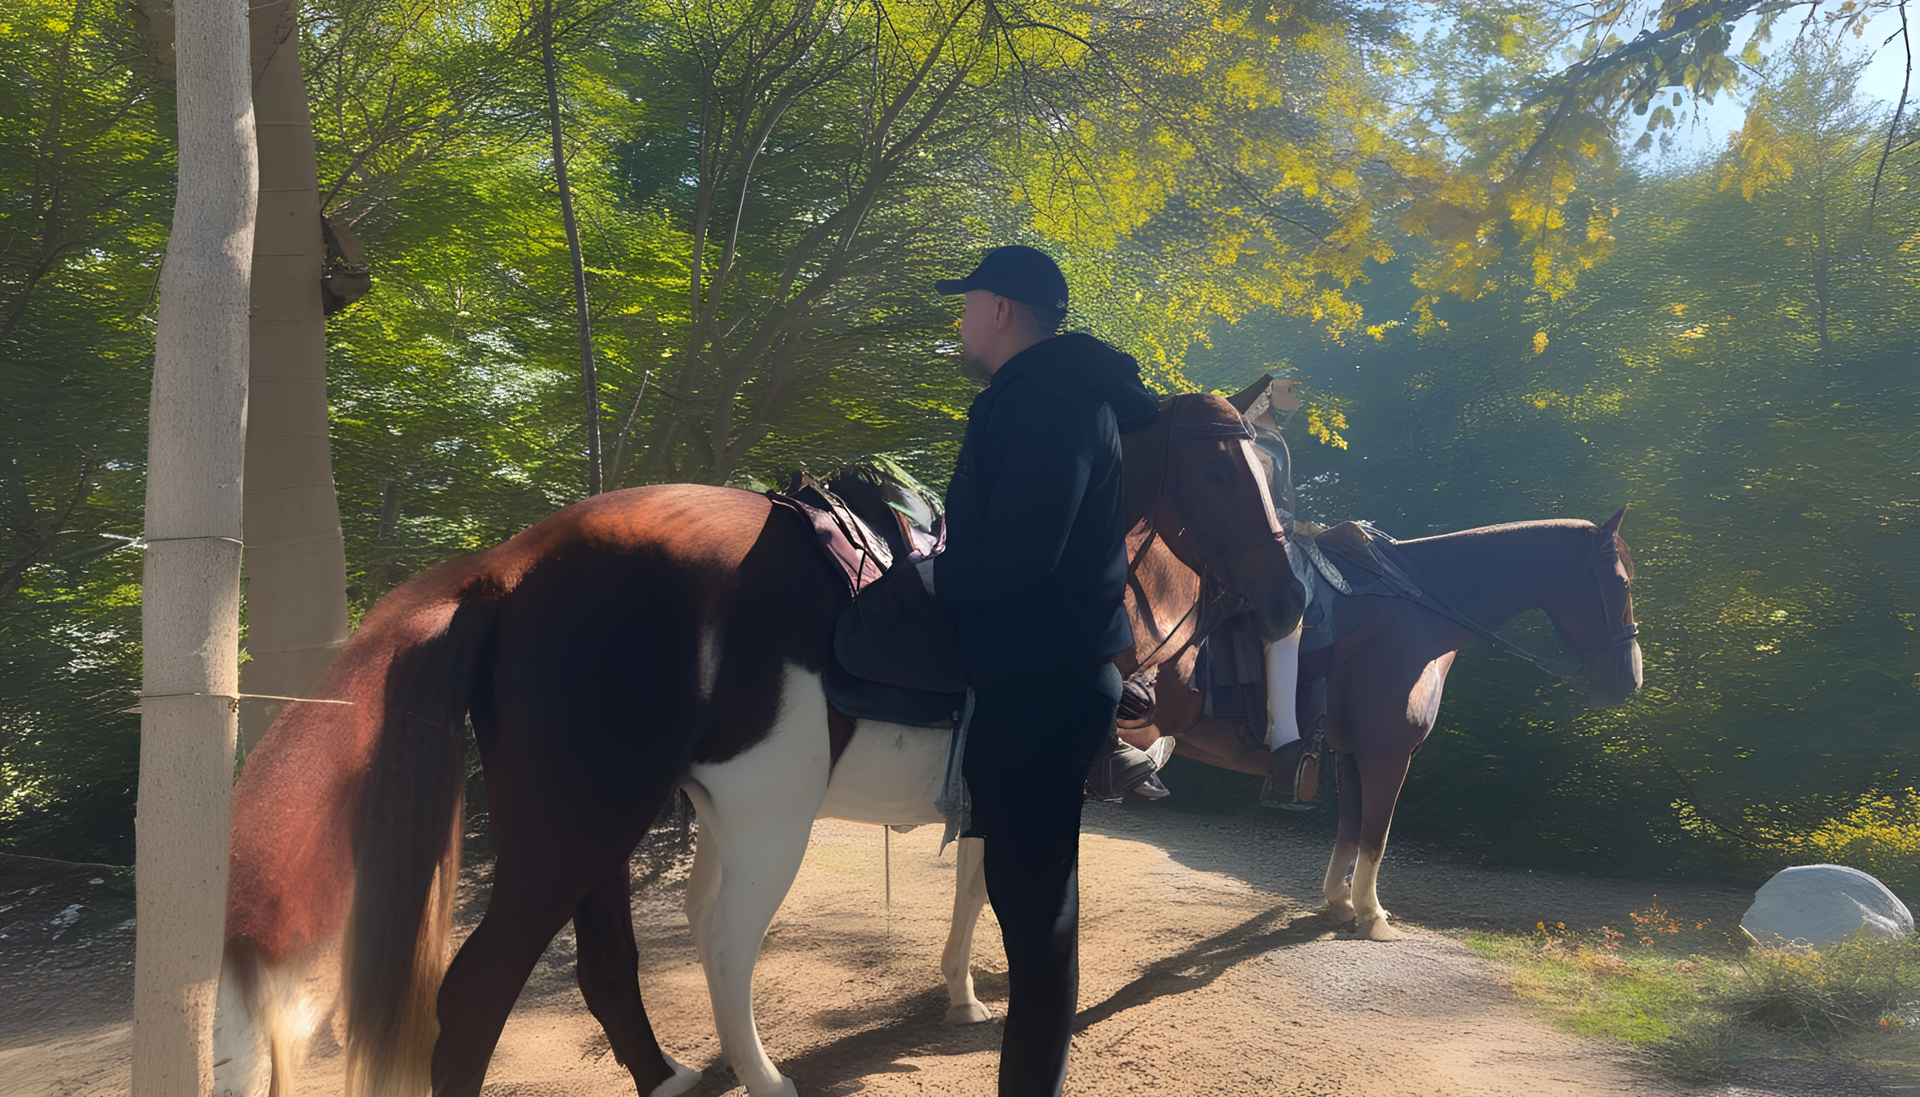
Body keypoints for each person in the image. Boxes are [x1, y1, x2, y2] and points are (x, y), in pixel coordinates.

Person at [924, 245, 1158, 1095]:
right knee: (1031, 910)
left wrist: (927, 578)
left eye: (966, 303)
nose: (959, 321)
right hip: (1036, 675)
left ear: (1000, 311)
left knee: (1035, 918)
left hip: (1041, 685)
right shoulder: (1039, 395)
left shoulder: (1051, 401)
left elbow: (1024, 553)